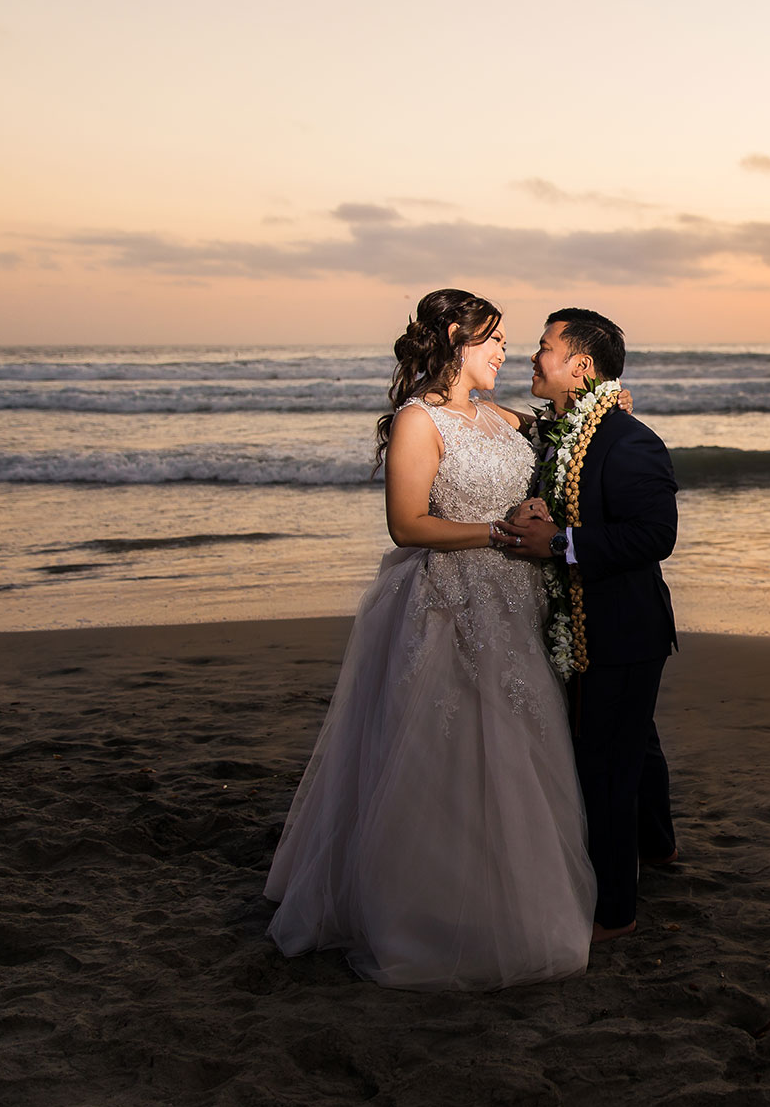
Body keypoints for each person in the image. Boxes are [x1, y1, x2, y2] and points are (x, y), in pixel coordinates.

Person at [262, 289, 596, 990]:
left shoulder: (506, 419)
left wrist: (586, 436)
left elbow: (557, 460)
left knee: (516, 749)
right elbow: (408, 525)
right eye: (495, 339)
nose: (507, 352)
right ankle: (432, 909)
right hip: (449, 602)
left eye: (508, 341)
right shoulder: (418, 421)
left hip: (515, 604)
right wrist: (500, 532)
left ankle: (512, 895)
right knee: (445, 753)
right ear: (456, 337)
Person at [495, 309, 679, 942]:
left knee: (606, 765)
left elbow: (656, 536)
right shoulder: (565, 431)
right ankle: (659, 846)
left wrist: (561, 545)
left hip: (623, 630)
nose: (531, 358)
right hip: (582, 626)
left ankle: (615, 912)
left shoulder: (630, 442)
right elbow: (529, 429)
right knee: (636, 743)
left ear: (580, 365)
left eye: (544, 348)